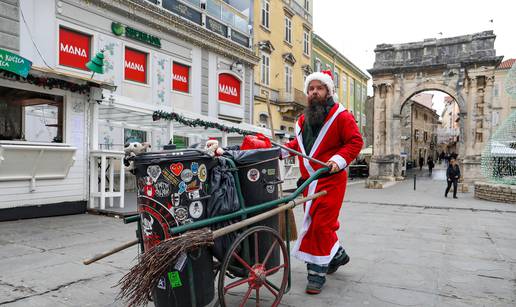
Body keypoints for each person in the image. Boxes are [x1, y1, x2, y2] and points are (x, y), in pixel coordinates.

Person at [281, 70, 363, 294]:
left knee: (319, 225)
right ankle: (337, 255)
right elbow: (299, 146)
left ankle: (316, 275)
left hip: (331, 180)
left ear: (328, 91)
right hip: (310, 181)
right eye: (311, 89)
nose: (314, 92)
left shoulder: (342, 116)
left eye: (319, 88)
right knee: (317, 222)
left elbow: (355, 142)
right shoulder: (302, 120)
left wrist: (338, 159)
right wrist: (282, 151)